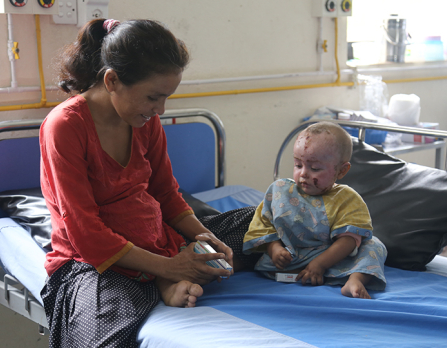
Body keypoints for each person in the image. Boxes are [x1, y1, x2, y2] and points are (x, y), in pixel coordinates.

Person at [39, 18, 257, 348]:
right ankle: (166, 281)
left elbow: (167, 196)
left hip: (158, 243)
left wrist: (206, 239)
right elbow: (86, 234)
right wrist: (171, 267)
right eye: (153, 97)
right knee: (101, 340)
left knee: (265, 221)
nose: (160, 109)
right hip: (96, 264)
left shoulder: (144, 120)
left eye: (166, 98)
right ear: (112, 80)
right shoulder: (65, 127)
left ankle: (173, 277)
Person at [243, 121, 387, 299]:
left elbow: (349, 240)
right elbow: (265, 225)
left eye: (315, 168)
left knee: (374, 245)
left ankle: (355, 279)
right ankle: (299, 273)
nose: (303, 173)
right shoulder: (279, 190)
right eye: (298, 165)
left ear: (341, 171)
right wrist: (274, 250)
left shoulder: (347, 198)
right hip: (290, 260)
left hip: (332, 260)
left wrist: (320, 264)